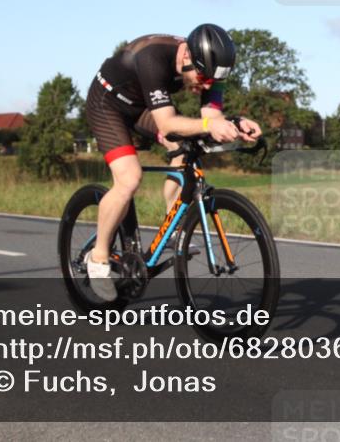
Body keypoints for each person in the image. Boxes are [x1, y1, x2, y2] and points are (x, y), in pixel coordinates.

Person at [83, 24, 261, 300]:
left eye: (212, 82)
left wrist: (235, 124)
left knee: (186, 147)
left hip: (144, 107)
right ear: (186, 58)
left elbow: (211, 119)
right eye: (202, 79)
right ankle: (98, 258)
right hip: (108, 104)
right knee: (129, 178)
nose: (205, 86)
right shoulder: (153, 57)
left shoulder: (211, 69)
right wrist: (206, 125)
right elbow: (166, 124)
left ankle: (173, 221)